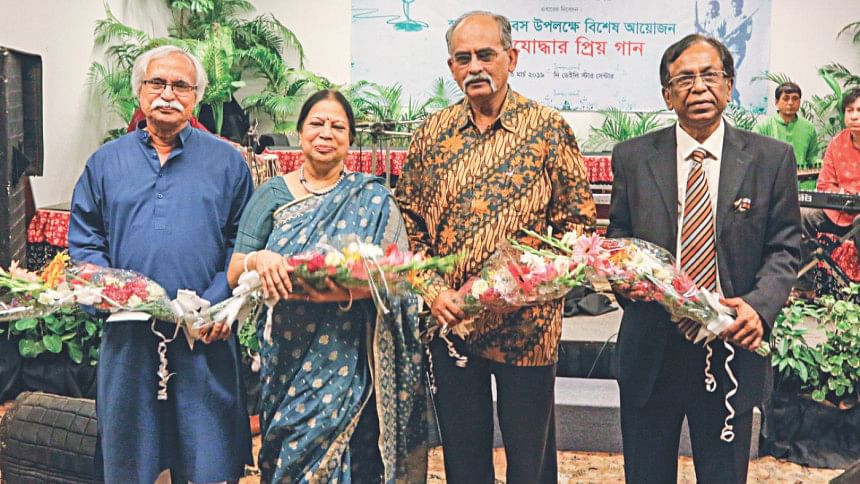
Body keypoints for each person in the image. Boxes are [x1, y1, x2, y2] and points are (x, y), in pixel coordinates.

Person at [396, 11, 596, 484]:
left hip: (528, 328)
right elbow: (407, 224)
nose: (475, 67)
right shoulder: (432, 134)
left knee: (530, 462)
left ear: (512, 58)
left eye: (485, 55)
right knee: (464, 458)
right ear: (451, 67)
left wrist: (529, 284)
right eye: (463, 58)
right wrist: (433, 291)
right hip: (452, 325)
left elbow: (578, 225)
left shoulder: (547, 128)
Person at [607, 34, 801, 483]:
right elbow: (618, 240)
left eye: (709, 75)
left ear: (729, 86)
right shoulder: (633, 158)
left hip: (731, 345)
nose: (698, 87)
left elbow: (785, 246)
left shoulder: (771, 159)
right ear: (667, 95)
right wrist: (629, 281)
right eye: (684, 79)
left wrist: (759, 306)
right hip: (652, 346)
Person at [69, 45, 253, 483]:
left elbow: (243, 242)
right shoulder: (105, 163)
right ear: (140, 91)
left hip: (204, 335)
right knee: (130, 457)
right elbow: (86, 242)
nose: (168, 94)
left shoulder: (227, 162)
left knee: (208, 457)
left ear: (196, 97)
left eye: (181, 86)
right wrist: (117, 293)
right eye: (157, 83)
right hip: (130, 338)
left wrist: (214, 305)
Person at [226, 89, 427, 483]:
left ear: (349, 139)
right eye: (316, 124)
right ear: (300, 133)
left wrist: (345, 288)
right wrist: (258, 259)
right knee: (287, 454)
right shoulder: (271, 194)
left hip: (350, 352)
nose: (326, 133)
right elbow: (235, 269)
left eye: (338, 127)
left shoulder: (373, 198)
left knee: (356, 459)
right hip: (285, 354)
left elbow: (399, 276)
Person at [796, 88, 860, 297]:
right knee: (801, 215)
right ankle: (805, 286)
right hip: (836, 211)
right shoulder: (836, 143)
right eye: (849, 110)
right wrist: (842, 195)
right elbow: (824, 184)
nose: (854, 116)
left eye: (859, 110)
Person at [755, 82, 819, 169]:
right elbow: (756, 157)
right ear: (776, 102)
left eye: (795, 99)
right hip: (771, 176)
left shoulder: (808, 127)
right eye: (786, 99)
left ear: (799, 102)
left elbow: (812, 157)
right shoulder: (763, 127)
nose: (790, 103)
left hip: (801, 176)